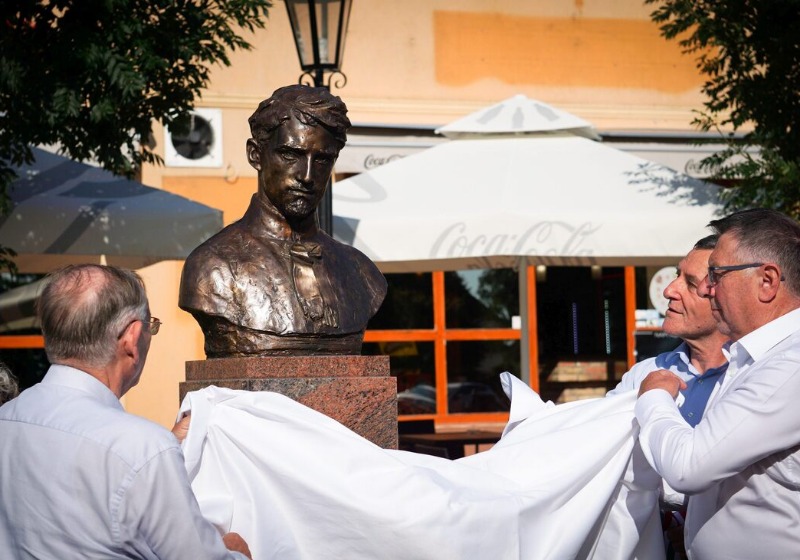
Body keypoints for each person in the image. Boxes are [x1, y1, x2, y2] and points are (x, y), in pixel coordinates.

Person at [0, 264, 251, 559]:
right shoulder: (143, 449)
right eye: (151, 327)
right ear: (131, 339)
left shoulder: (8, 420)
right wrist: (236, 551)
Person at [636, 208, 800, 559]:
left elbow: (688, 467)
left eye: (716, 274)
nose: (709, 290)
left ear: (767, 281)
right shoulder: (755, 357)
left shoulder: (789, 366)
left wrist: (653, 397)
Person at [179, 84, 387, 358]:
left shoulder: (362, 272)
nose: (307, 176)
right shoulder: (211, 267)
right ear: (256, 154)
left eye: (323, 160)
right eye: (291, 155)